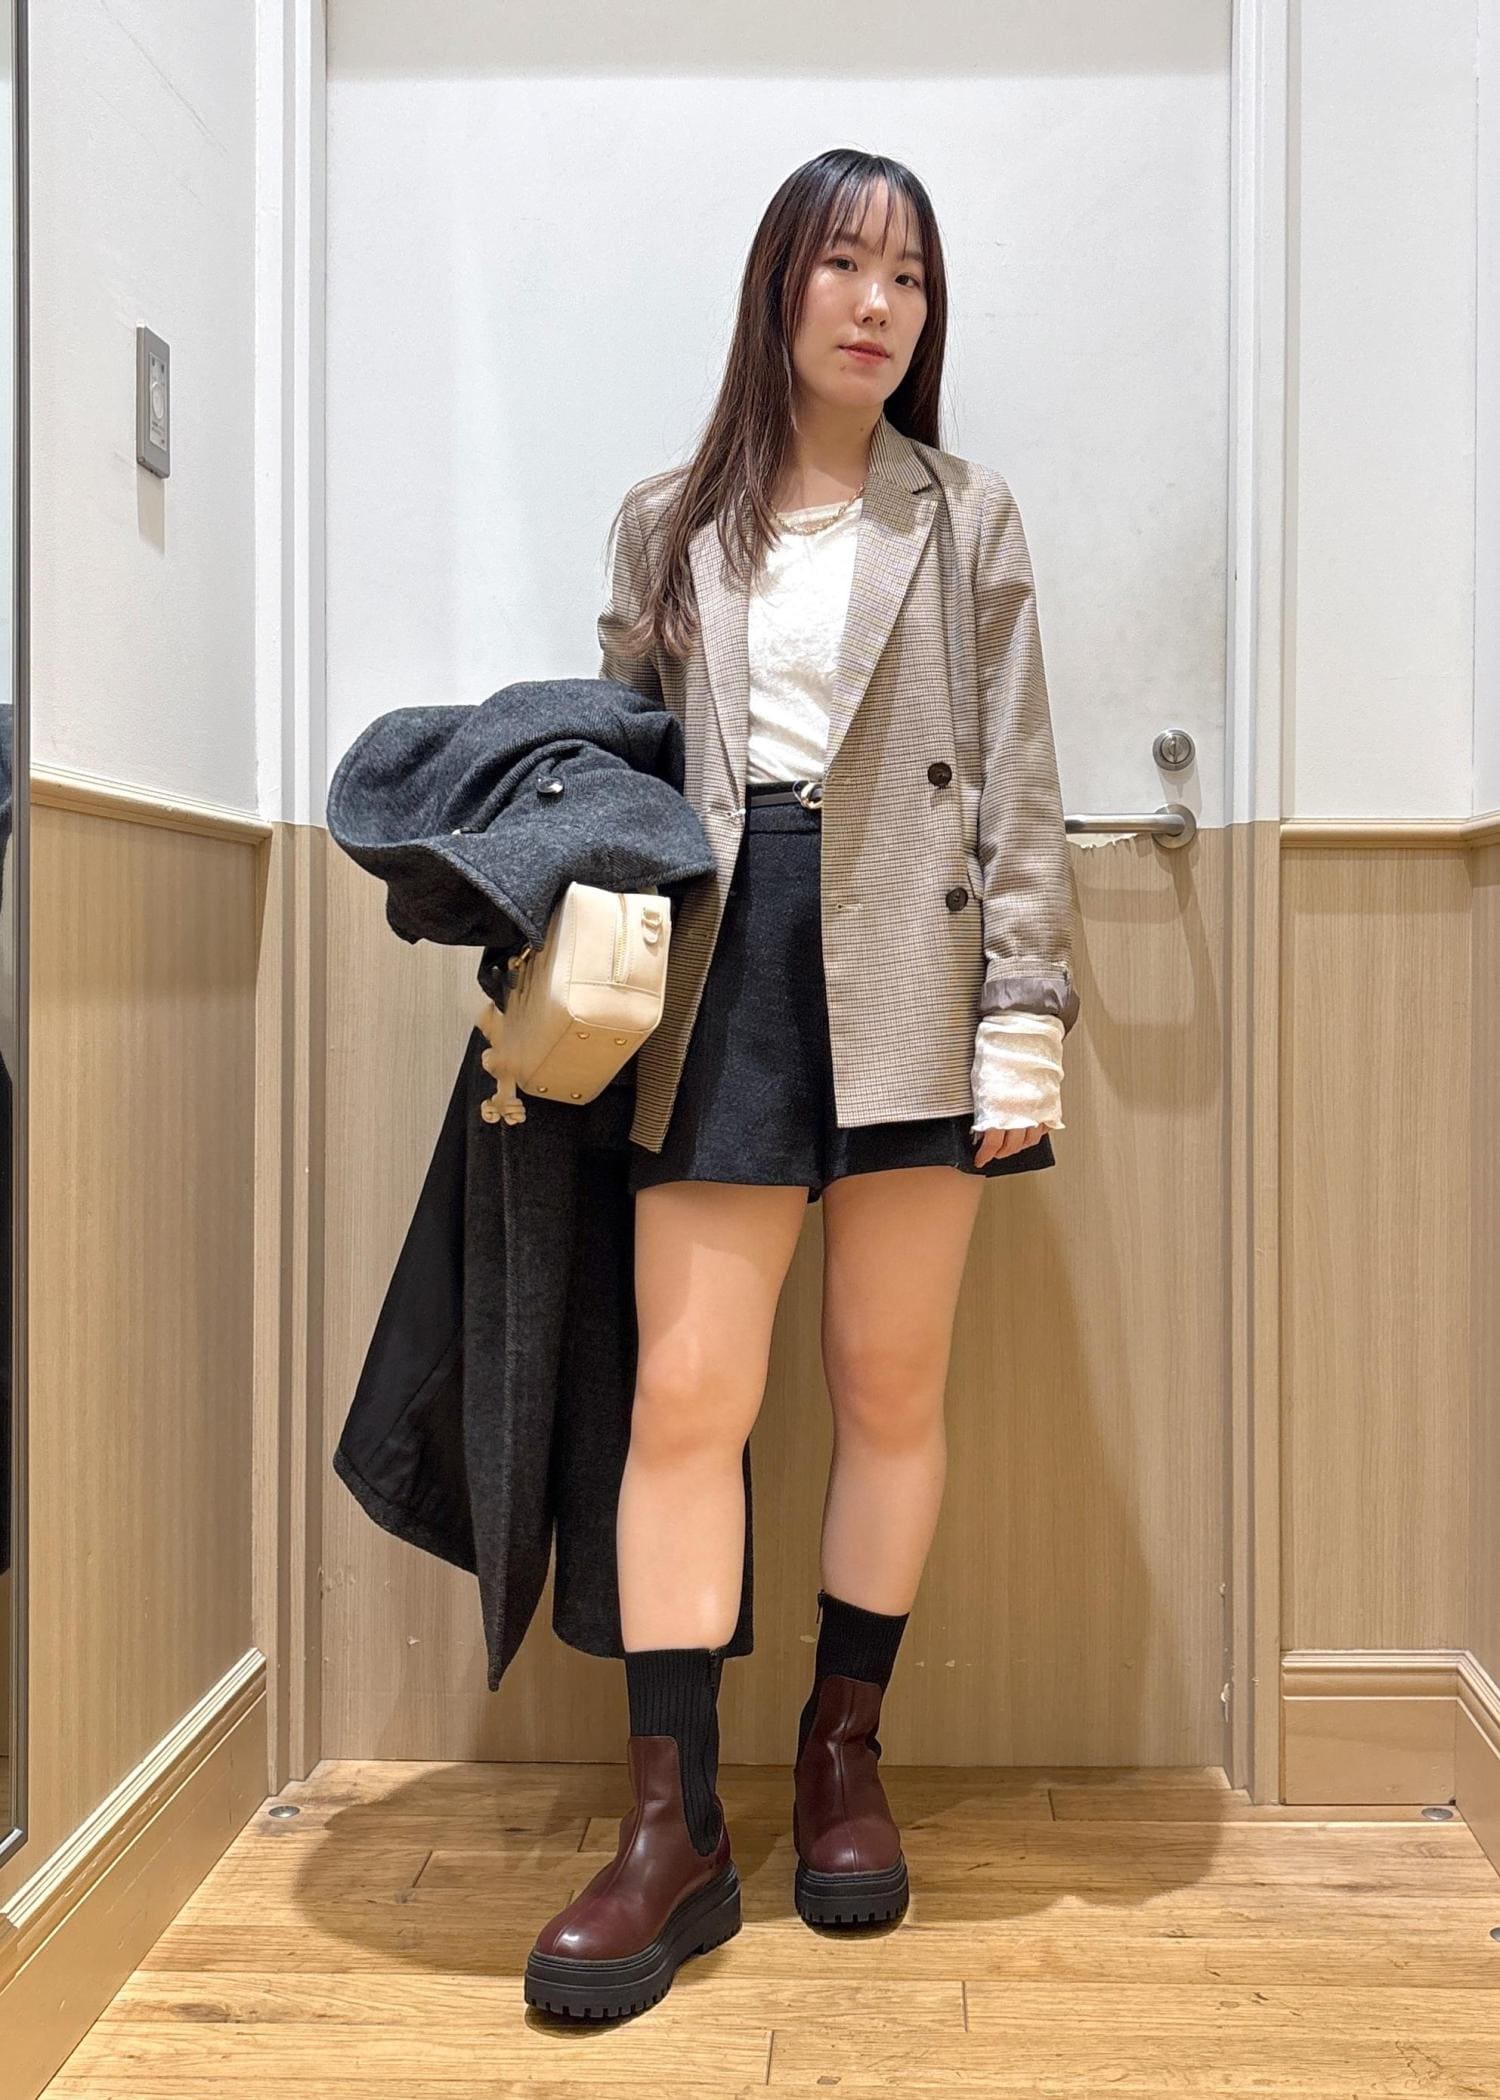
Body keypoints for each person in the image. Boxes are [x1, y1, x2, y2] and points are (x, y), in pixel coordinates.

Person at [523, 148, 1079, 2021]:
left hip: (917, 964)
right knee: (687, 1393)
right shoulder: (668, 519)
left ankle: (843, 1753)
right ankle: (669, 1825)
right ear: (780, 288)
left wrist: (1026, 1008)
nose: (877, 304)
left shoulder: (966, 515)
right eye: (845, 265)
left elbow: (1018, 771)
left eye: (909, 277)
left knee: (887, 1382)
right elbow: (612, 759)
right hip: (716, 970)